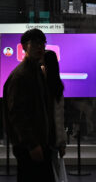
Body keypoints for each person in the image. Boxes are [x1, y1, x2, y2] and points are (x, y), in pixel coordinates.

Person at [3, 29, 55, 182]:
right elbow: (17, 114)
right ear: (25, 46)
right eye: (35, 43)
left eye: (43, 44)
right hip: (29, 146)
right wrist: (32, 144)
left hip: (39, 141)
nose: (40, 47)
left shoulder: (36, 71)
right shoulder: (21, 75)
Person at [43, 50, 67, 180]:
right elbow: (59, 117)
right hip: (54, 137)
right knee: (54, 169)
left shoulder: (42, 84)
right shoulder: (58, 85)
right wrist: (62, 142)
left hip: (44, 136)